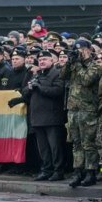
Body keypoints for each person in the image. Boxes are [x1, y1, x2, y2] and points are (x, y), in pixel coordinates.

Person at [11, 50, 66, 181]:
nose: (41, 62)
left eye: (44, 59)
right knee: (43, 148)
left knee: (55, 147)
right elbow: (25, 91)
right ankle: (46, 169)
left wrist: (40, 87)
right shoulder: (37, 74)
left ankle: (58, 171)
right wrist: (29, 88)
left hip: (52, 117)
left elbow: (58, 91)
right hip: (37, 117)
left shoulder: (57, 74)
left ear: (52, 61)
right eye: (40, 60)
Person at [61, 39, 102, 187]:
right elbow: (62, 75)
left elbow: (87, 80)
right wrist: (69, 62)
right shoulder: (74, 64)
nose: (79, 52)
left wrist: (79, 63)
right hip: (73, 109)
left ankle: (90, 172)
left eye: (82, 49)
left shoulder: (95, 65)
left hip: (88, 109)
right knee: (76, 143)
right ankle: (77, 172)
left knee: (88, 143)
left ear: (89, 50)